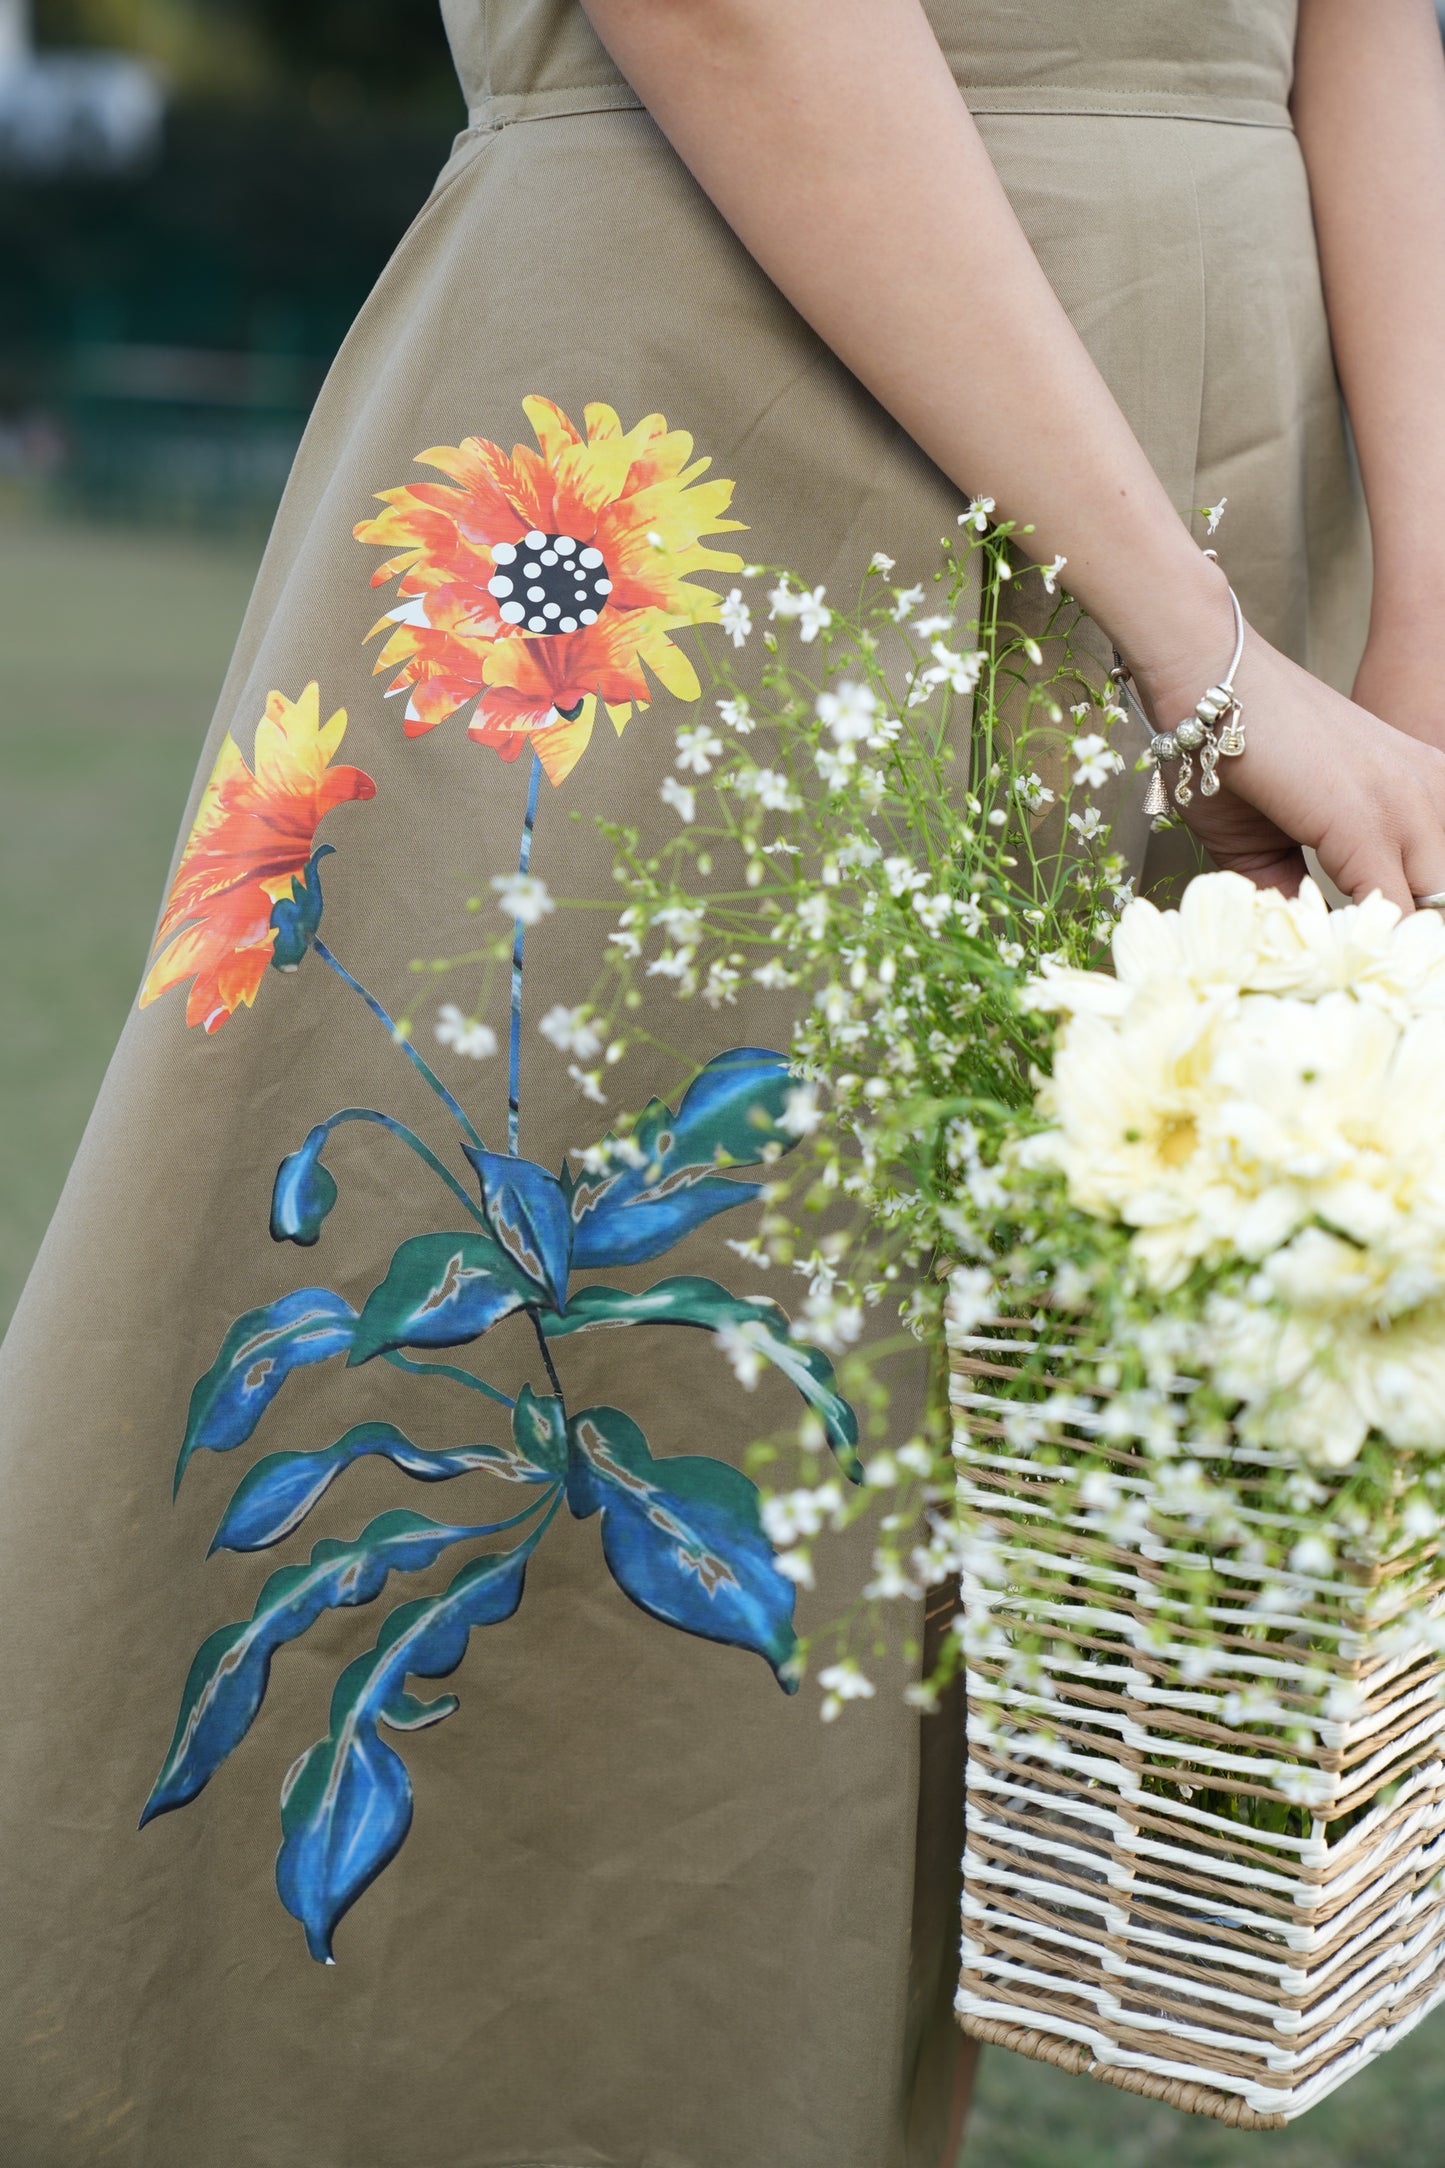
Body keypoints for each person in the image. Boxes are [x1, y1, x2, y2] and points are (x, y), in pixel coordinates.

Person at [2, 4, 1444, 2166]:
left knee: (934, 1663)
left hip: (1246, 510)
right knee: (615, 1602)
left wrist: (1416, 624)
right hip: (724, 437)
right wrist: (1203, 652)